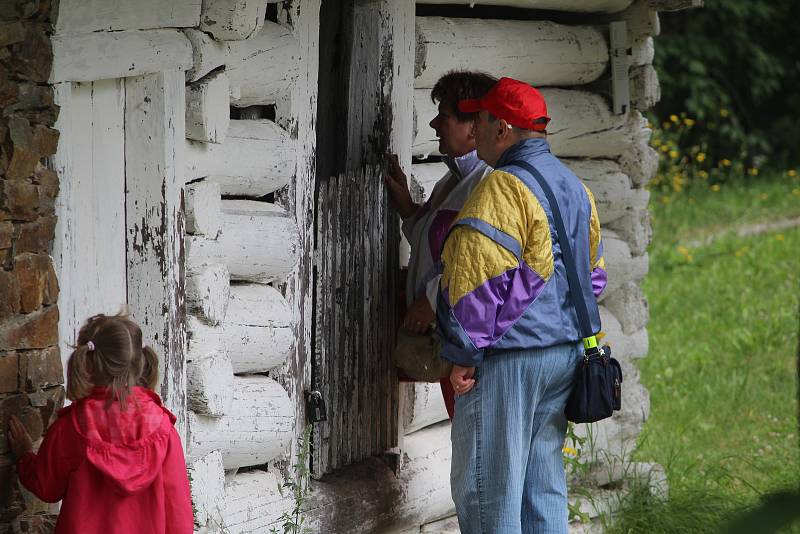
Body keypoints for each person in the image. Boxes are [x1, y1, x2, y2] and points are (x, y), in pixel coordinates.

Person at [436, 77, 607, 533]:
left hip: (511, 363)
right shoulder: (575, 188)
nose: (476, 129)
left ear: (502, 128)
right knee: (541, 490)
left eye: (483, 119)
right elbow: (594, 277)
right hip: (565, 357)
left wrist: (463, 355)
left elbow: (474, 283)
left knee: (488, 494)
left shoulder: (502, 189)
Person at [7, 313, 194, 534]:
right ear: (139, 361)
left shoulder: (72, 427)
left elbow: (47, 486)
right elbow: (178, 515)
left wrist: (24, 457)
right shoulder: (163, 430)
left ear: (87, 362)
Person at [385, 70, 496, 417]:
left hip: (469, 336)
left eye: (444, 116)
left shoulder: (488, 183)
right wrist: (407, 207)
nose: (434, 124)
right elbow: (434, 243)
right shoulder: (452, 180)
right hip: (450, 336)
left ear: (474, 127)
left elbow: (479, 257)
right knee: (468, 438)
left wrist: (433, 300)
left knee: (477, 439)